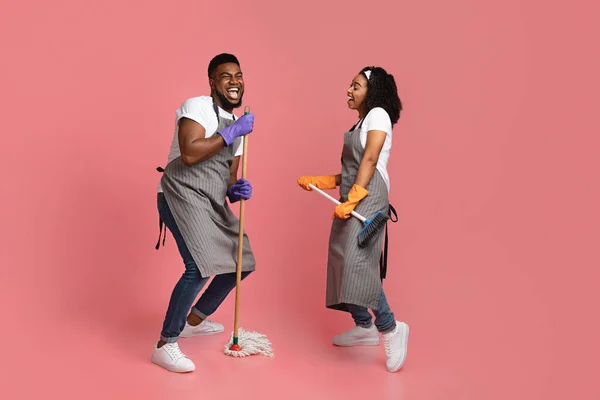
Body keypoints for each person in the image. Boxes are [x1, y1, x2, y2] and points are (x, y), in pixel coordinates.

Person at [297, 66, 409, 373]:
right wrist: (321, 181)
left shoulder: (378, 115)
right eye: (350, 84)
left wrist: (356, 196)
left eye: (356, 85)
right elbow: (350, 169)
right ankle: (363, 326)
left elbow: (370, 160)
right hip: (354, 194)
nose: (349, 89)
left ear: (371, 92)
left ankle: (390, 328)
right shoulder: (360, 123)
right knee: (342, 258)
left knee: (359, 264)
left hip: (369, 197)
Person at [152, 53, 256, 373]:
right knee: (198, 267)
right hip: (180, 194)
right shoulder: (197, 106)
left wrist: (234, 190)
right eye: (226, 76)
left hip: (209, 201)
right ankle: (166, 343)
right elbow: (190, 151)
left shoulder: (238, 132)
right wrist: (230, 132)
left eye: (238, 75)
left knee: (241, 261)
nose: (234, 81)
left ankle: (193, 320)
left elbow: (226, 178)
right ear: (212, 82)